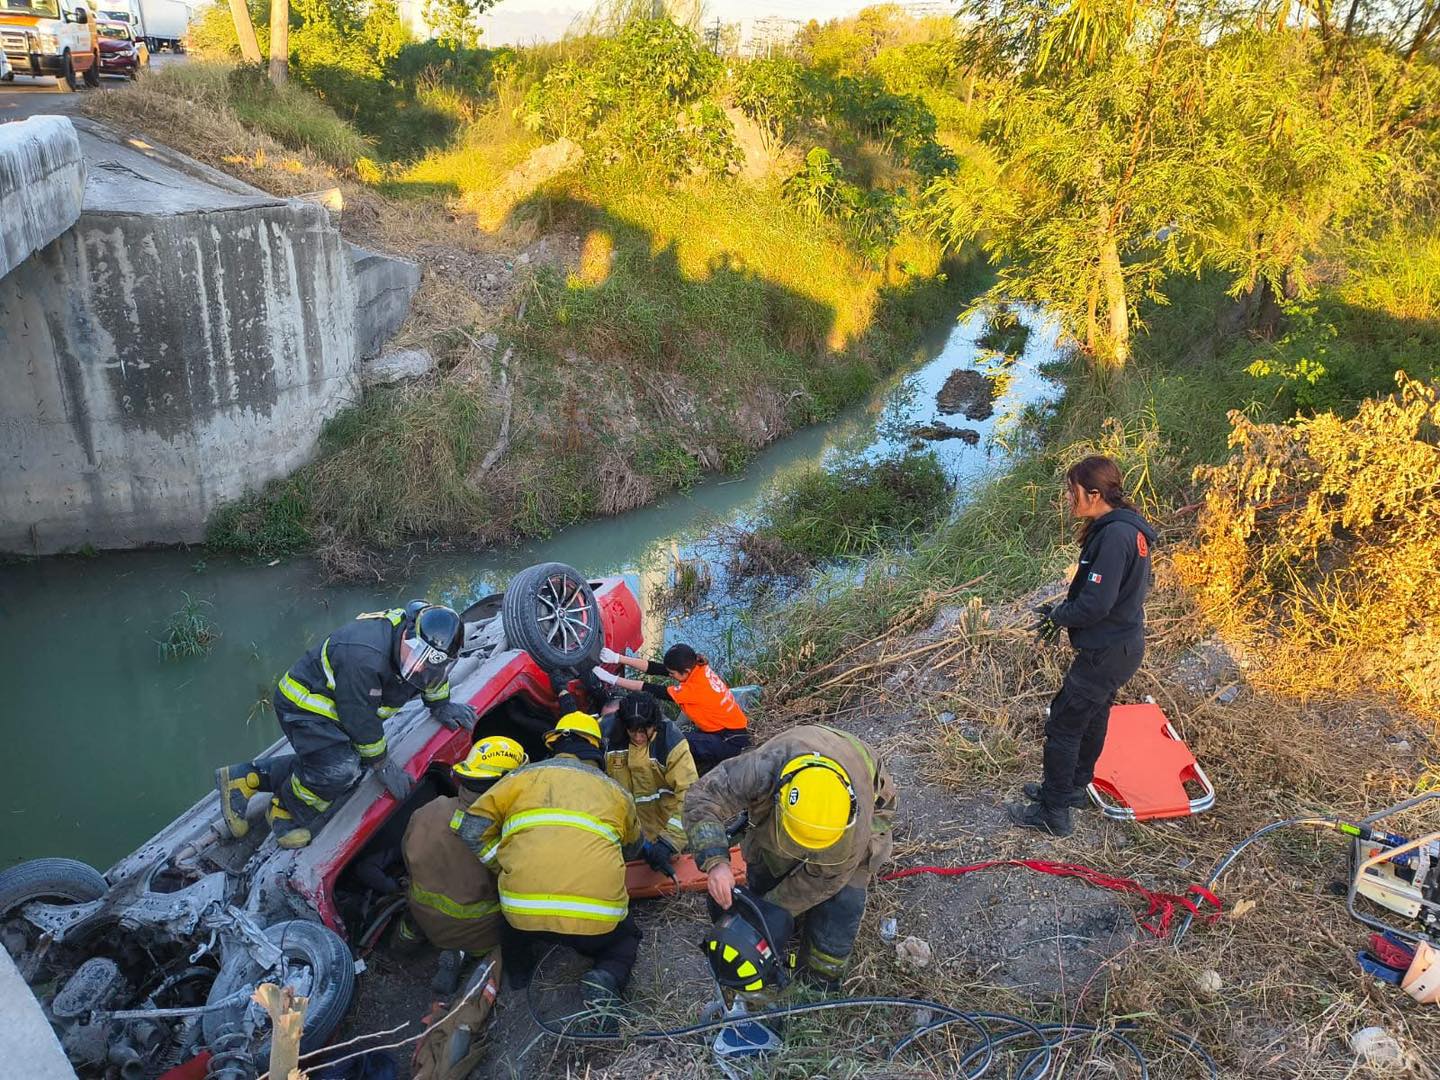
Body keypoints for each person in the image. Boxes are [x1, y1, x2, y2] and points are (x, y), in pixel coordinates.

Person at [215, 602, 477, 849]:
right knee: (341, 770)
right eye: (418, 659)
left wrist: (440, 704)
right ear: (408, 633)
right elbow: (360, 720)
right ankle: (285, 809)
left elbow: (434, 675)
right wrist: (383, 764)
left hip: (343, 703)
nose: (420, 669)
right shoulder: (364, 658)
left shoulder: (423, 638)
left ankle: (244, 778)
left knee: (332, 762)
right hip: (307, 704)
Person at [450, 709, 643, 1030]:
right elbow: (632, 848)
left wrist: (505, 864)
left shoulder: (518, 779)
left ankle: (520, 975)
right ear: (598, 749)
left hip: (524, 916)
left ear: (555, 744)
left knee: (508, 925)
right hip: (596, 922)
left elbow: (470, 829)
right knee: (625, 940)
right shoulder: (616, 792)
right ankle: (605, 976)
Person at [683, 724, 897, 989]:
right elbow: (702, 798)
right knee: (766, 862)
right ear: (780, 798)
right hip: (805, 754)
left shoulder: (852, 832)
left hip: (864, 794)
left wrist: (771, 912)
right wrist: (715, 862)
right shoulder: (763, 769)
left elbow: (821, 882)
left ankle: (818, 982)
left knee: (843, 901)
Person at [1010, 455, 1157, 838]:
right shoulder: (1124, 529)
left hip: (1108, 651)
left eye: (1072, 492)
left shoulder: (1115, 536)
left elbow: (1095, 604)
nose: (1068, 499)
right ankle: (1073, 787)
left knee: (1064, 723)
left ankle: (1053, 811)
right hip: (1121, 645)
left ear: (1094, 494)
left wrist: (1059, 615)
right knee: (1093, 716)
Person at [395, 736, 529, 959]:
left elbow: (408, 859)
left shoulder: (428, 811)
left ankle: (402, 948)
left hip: (423, 917)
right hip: (480, 937)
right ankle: (461, 960)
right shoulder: (505, 835)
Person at [591, 643, 750, 772]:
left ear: (685, 671)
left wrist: (612, 679)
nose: (671, 676)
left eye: (673, 674)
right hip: (724, 729)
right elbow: (656, 668)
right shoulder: (698, 667)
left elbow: (649, 688)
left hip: (730, 740)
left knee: (674, 742)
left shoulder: (694, 689)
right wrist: (618, 658)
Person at [603, 692, 698, 879]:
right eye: (632, 731)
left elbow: (690, 797)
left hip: (671, 833)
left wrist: (668, 843)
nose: (638, 737)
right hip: (630, 839)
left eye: (644, 730)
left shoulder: (671, 743)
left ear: (655, 723)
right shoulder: (608, 738)